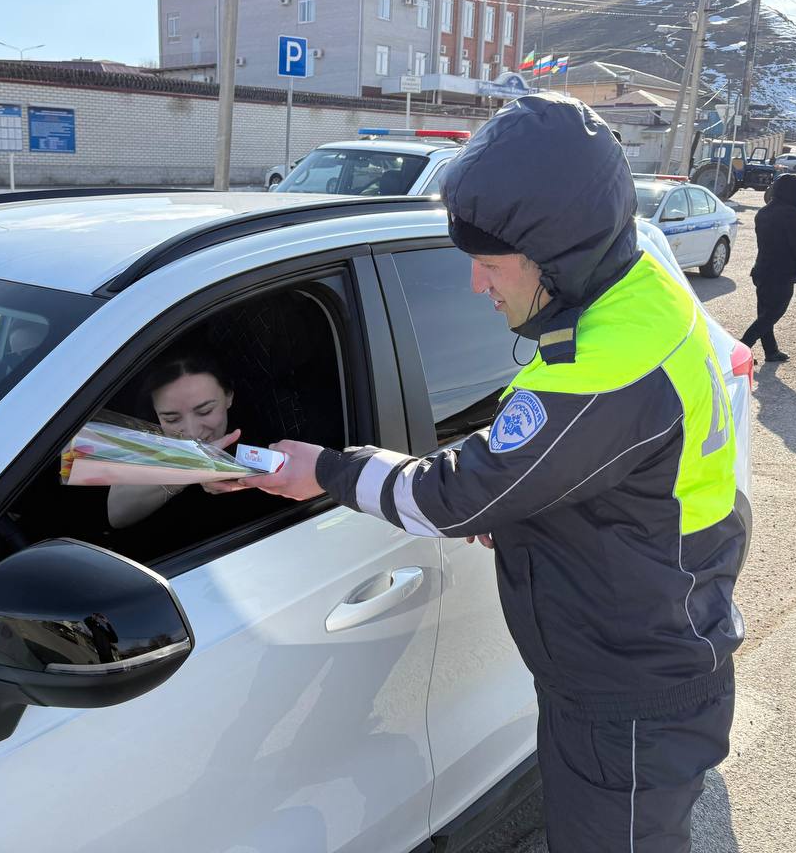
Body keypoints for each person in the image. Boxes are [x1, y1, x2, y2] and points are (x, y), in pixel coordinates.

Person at [236, 93, 746, 853]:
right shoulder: (633, 290)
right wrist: (531, 509)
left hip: (629, 691)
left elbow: (453, 496)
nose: (477, 286)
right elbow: (582, 467)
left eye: (488, 264)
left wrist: (328, 470)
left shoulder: (607, 367)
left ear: (559, 253)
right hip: (642, 647)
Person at [106, 349, 243, 530]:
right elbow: (117, 513)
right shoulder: (150, 437)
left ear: (229, 396)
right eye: (171, 419)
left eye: (205, 411)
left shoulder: (262, 436)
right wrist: (190, 468)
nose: (192, 432)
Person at [740, 173, 796, 363]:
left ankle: (771, 351)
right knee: (771, 314)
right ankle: (740, 351)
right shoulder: (791, 215)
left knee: (764, 314)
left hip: (762, 269)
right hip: (781, 273)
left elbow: (775, 235)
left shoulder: (764, 212)